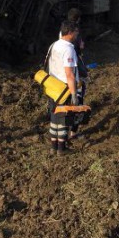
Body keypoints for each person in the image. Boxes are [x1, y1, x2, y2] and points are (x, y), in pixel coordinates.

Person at [45, 20, 80, 155]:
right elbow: (69, 74)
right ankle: (62, 148)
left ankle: (54, 146)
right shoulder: (68, 49)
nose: (77, 34)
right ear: (70, 32)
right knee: (64, 118)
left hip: (52, 86)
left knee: (55, 116)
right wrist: (73, 94)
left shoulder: (54, 45)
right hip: (64, 88)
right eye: (76, 31)